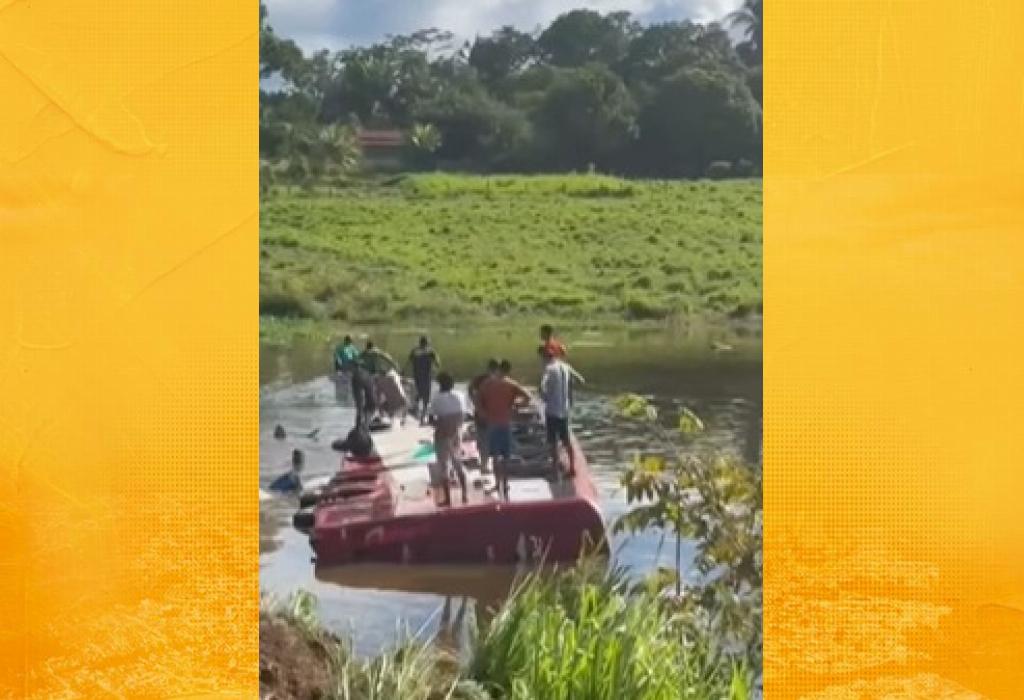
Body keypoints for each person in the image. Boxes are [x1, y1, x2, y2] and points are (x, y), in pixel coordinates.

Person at [478, 360, 532, 500]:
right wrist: (515, 405)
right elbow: (528, 397)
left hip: (492, 423)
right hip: (505, 423)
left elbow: (478, 400)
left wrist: (484, 413)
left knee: (495, 456)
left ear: (498, 369)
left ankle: (497, 483)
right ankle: (506, 483)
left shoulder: (487, 384)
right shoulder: (511, 384)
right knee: (506, 457)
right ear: (508, 371)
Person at [539, 347, 582, 478]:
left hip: (552, 410)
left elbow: (542, 386)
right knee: (566, 440)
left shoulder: (549, 369)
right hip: (565, 409)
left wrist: (543, 396)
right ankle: (572, 468)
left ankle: (554, 472)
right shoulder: (565, 367)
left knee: (552, 441)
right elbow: (580, 380)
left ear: (545, 357)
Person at [428, 372, 469, 507]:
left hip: (442, 434)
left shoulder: (437, 399)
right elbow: (463, 415)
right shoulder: (460, 396)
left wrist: (437, 424)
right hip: (456, 433)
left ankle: (448, 499)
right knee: (458, 464)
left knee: (443, 467)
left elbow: (432, 418)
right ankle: (465, 495)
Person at [468, 358, 500, 473]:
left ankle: (484, 463)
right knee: (492, 440)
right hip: (492, 414)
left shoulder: (480, 378)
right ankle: (487, 465)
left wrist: (474, 402)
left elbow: (470, 388)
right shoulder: (498, 380)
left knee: (483, 439)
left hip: (481, 412)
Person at [406, 336, 441, 424]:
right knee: (426, 397)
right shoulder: (430, 352)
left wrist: (403, 371)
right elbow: (438, 364)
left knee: (418, 394)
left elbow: (408, 362)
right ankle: (422, 418)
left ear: (420, 342)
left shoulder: (414, 351)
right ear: (427, 343)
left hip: (417, 376)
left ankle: (415, 411)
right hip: (426, 377)